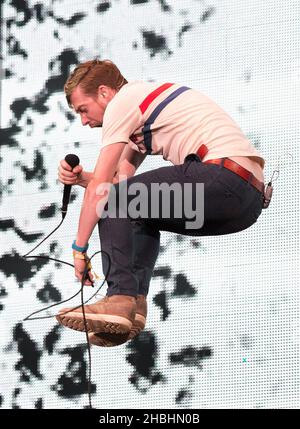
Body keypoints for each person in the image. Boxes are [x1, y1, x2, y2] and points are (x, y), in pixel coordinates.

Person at [56, 59, 265, 347]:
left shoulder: (123, 102)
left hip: (223, 179)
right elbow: (119, 184)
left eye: (83, 109)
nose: (83, 120)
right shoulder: (141, 111)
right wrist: (83, 179)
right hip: (245, 202)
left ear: (104, 93)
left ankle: (120, 299)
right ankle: (133, 306)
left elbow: (105, 192)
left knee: (115, 200)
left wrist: (79, 249)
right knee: (135, 208)